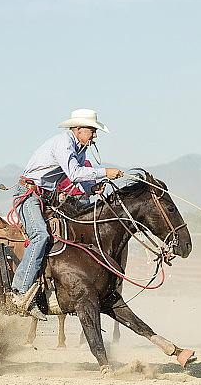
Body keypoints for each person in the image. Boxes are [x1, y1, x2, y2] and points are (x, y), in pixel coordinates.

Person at [11, 109, 123, 320]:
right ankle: (19, 291)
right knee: (40, 236)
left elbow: (79, 175)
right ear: (78, 129)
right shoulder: (64, 143)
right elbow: (73, 173)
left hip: (45, 198)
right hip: (29, 195)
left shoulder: (78, 147)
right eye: (92, 130)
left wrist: (91, 188)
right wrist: (104, 172)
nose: (95, 135)